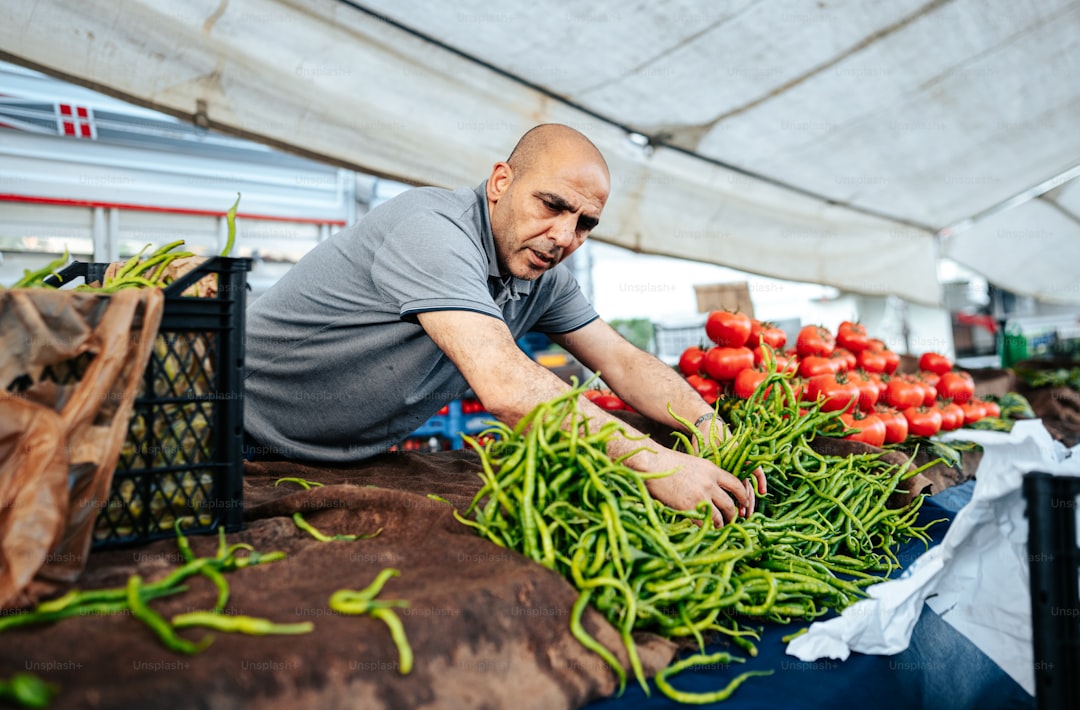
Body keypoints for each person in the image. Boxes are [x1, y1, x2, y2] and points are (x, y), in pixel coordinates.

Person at [243, 123, 765, 526]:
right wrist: (658, 465)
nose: (563, 236)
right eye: (552, 205)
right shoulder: (432, 231)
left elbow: (620, 360)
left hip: (328, 459)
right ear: (500, 182)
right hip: (235, 435)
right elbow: (506, 385)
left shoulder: (542, 273)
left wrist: (707, 426)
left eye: (584, 223)